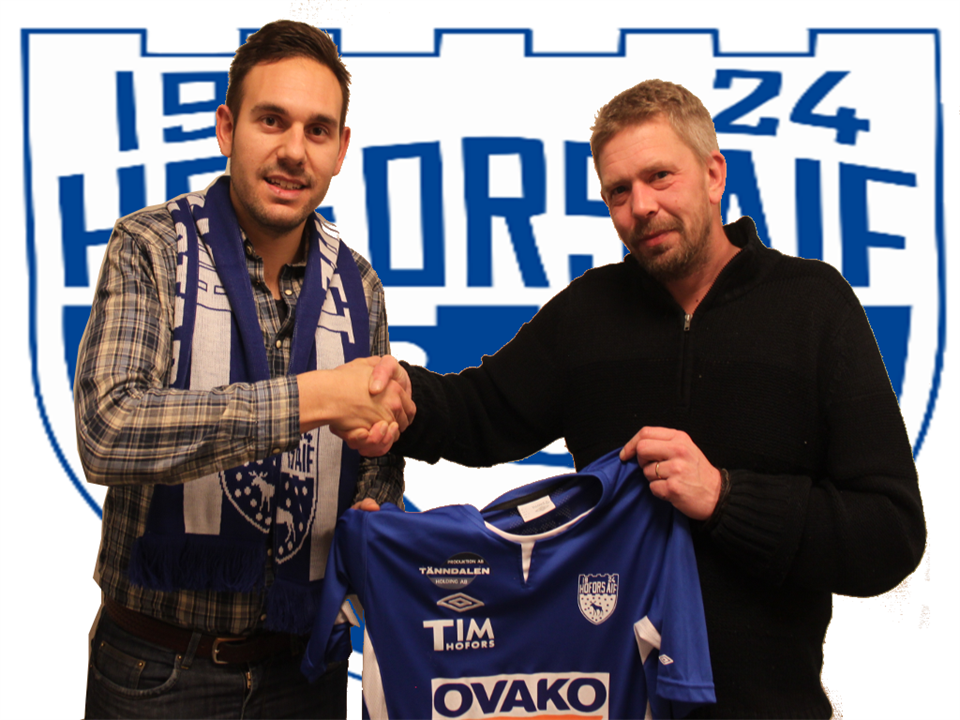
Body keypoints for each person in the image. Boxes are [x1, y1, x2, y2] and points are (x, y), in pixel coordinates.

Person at [359, 80, 926, 717]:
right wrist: (398, 396)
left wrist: (726, 498)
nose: (642, 207)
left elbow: (891, 534)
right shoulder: (588, 312)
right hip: (598, 701)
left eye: (660, 177)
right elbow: (479, 412)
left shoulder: (814, 306)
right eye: (618, 191)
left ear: (714, 174)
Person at [75, 20, 412, 719]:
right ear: (227, 128)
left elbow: (376, 470)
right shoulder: (151, 246)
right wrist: (311, 398)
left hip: (308, 668)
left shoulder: (360, 286)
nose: (293, 151)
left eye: (318, 130)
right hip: (159, 669)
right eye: (272, 120)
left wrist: (377, 501)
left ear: (341, 150)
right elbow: (108, 430)